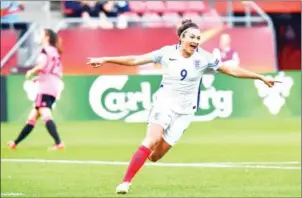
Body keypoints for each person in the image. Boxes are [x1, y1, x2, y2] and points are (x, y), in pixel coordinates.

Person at [86, 19, 281, 194]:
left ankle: (145, 153)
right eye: (191, 37)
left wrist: (260, 76)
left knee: (155, 156)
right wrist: (105, 59)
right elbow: (135, 59)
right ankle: (125, 183)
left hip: (186, 111)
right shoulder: (166, 53)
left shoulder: (203, 58)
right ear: (181, 38)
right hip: (164, 102)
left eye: (198, 38)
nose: (195, 41)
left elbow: (230, 69)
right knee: (151, 139)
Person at [8, 28, 65, 151]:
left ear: (47, 37)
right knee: (32, 117)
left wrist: (32, 71)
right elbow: (54, 71)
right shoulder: (54, 51)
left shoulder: (45, 50)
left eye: (42, 34)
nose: (39, 36)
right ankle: (14, 143)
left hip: (46, 87)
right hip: (53, 85)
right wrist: (39, 78)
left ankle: (59, 143)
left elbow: (43, 65)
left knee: (45, 113)